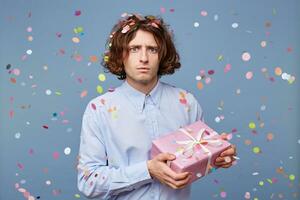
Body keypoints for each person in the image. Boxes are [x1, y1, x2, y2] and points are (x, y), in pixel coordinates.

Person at [77, 13, 236, 200]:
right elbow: (88, 183)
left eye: (152, 49)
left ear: (162, 55)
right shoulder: (99, 109)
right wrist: (148, 170)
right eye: (135, 48)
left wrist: (218, 156)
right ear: (121, 55)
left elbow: (196, 160)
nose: (143, 58)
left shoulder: (187, 103)